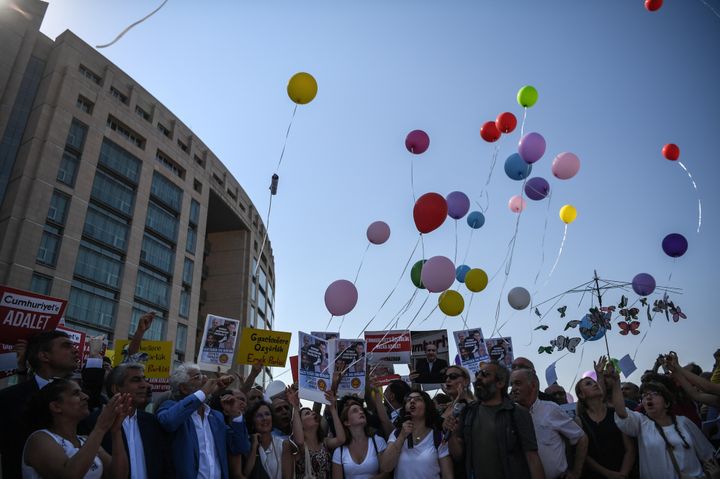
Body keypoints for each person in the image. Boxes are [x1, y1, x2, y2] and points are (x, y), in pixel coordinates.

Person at [0, 330, 104, 478]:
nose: (75, 350)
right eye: (66, 346)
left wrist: (94, 356)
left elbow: (94, 388)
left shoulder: (83, 398)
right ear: (44, 355)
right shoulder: (9, 399)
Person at [608, 359, 717, 478]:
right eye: (644, 396)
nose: (648, 397)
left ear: (667, 403)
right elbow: (621, 412)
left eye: (655, 394)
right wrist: (616, 383)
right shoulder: (641, 423)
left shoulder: (684, 422)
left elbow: (707, 454)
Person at [446, 360, 544, 479]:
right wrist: (450, 434)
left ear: (500, 383)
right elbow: (458, 455)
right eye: (478, 374)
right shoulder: (468, 412)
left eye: (485, 374)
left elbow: (532, 458)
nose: (478, 378)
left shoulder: (517, 413)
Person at [22, 379, 132, 478]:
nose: (85, 396)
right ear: (56, 407)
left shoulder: (85, 440)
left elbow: (119, 476)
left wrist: (116, 430)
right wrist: (100, 427)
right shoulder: (39, 439)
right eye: (76, 393)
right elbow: (69, 475)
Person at [157, 363, 251, 479]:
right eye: (197, 377)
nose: (205, 379)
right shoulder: (170, 407)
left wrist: (236, 416)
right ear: (184, 388)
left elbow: (240, 447)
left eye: (203, 375)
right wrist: (203, 392)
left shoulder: (216, 416)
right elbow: (169, 422)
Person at [80, 363, 173, 478]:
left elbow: (164, 465)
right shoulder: (94, 423)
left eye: (144, 379)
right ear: (116, 388)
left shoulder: (151, 422)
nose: (144, 385)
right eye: (136, 380)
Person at [511, 367, 588, 479]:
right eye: (512, 384)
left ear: (532, 386)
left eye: (517, 383)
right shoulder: (511, 415)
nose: (513, 388)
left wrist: (576, 473)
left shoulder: (551, 409)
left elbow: (581, 438)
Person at [574, 358, 636, 479]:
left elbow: (630, 449)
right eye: (588, 384)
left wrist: (623, 474)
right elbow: (584, 455)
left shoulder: (616, 413)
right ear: (581, 395)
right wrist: (608, 474)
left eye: (594, 382)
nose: (594, 384)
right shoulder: (579, 421)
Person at [380, 391, 453, 479]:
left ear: (427, 407)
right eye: (409, 400)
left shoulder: (438, 437)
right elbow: (385, 467)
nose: (412, 401)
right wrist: (402, 436)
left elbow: (447, 474)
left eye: (418, 399)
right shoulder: (396, 434)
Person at [283, 387, 345, 479]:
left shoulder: (325, 443)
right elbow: (299, 441)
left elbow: (341, 439)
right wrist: (295, 408)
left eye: (312, 412)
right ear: (300, 424)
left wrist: (332, 408)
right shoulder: (298, 448)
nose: (313, 413)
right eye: (307, 414)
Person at [331, 400, 388, 479]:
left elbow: (386, 473)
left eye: (362, 410)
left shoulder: (378, 442)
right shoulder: (339, 452)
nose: (361, 412)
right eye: (355, 411)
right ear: (347, 422)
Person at [244, 400, 285, 479]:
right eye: (259, 415)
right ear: (252, 421)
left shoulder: (283, 444)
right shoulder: (247, 445)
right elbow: (245, 475)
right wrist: (254, 448)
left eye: (267, 414)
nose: (264, 418)